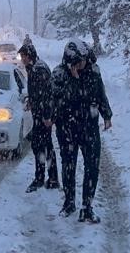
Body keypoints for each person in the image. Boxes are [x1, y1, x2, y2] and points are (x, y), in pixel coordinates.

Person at [49, 41, 113, 223]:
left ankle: (87, 206)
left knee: (92, 167)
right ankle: (69, 202)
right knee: (68, 165)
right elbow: (55, 102)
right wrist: (73, 81)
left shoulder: (93, 72)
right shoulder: (59, 75)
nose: (81, 65)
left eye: (83, 61)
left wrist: (106, 115)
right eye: (77, 62)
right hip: (67, 128)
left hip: (89, 126)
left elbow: (101, 94)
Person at [20, 43, 59, 193]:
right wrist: (31, 101)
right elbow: (37, 92)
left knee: (41, 145)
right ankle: (50, 177)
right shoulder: (33, 68)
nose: (21, 59)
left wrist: (47, 116)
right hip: (39, 113)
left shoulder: (39, 69)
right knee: (42, 145)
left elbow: (47, 94)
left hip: (43, 116)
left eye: (23, 56)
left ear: (29, 56)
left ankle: (42, 178)